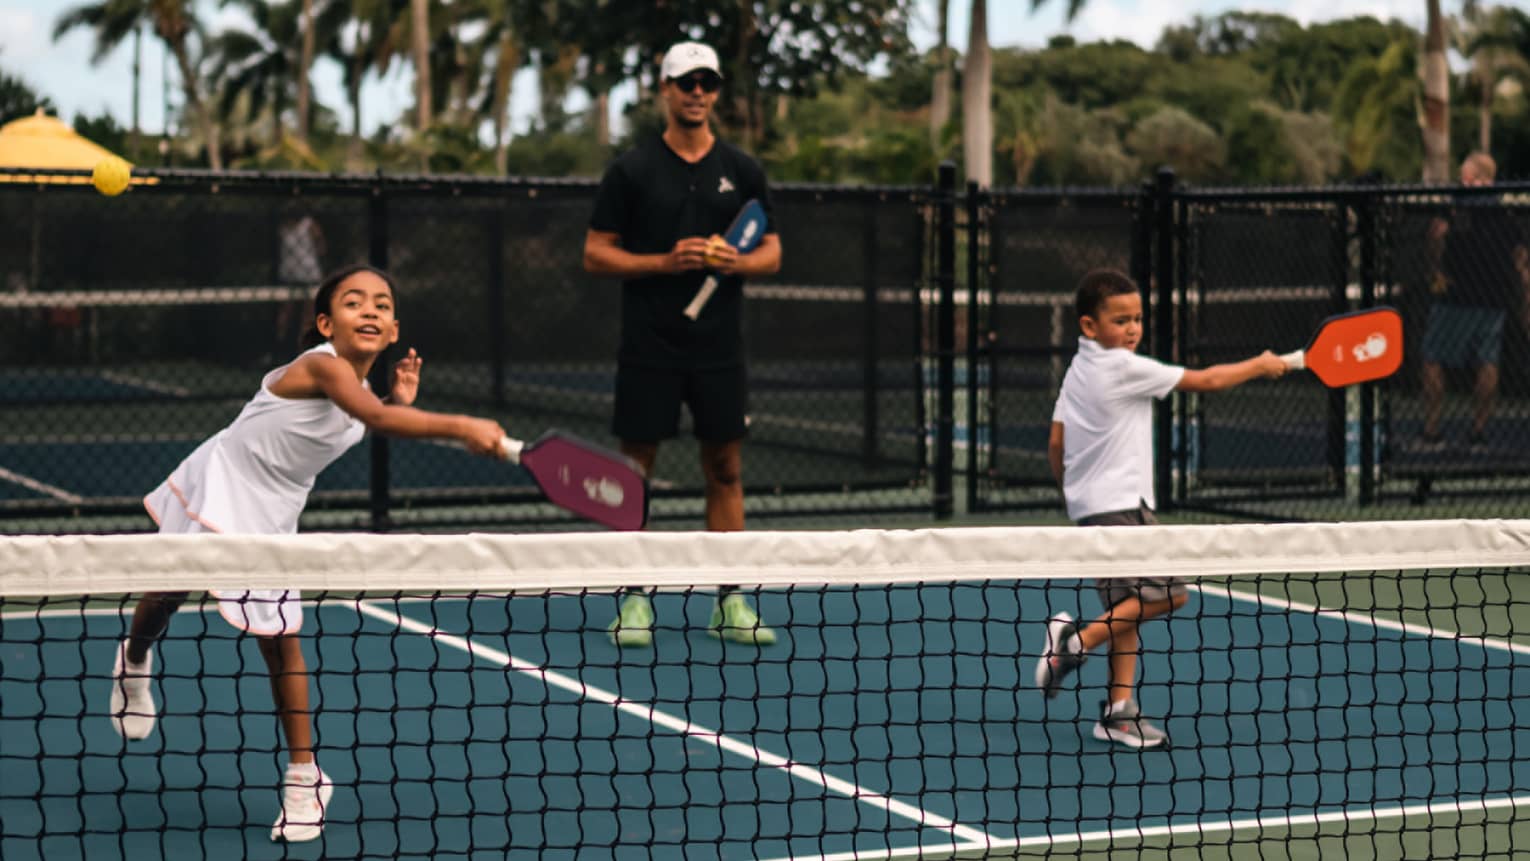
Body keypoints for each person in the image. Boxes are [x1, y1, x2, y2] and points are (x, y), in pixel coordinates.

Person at [108, 264, 506, 842]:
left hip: (273, 512)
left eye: (381, 304)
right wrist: (459, 422)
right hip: (224, 476)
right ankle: (135, 659)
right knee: (168, 591)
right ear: (326, 323)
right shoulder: (320, 364)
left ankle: (305, 777)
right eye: (352, 302)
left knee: (279, 641)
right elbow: (371, 416)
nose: (368, 310)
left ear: (393, 329)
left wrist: (397, 396)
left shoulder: (364, 387)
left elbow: (367, 414)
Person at [582, 41, 782, 649]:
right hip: (650, 344)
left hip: (718, 347)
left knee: (725, 467)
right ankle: (634, 598)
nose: (697, 92)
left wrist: (737, 258)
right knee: (633, 472)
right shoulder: (632, 170)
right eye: (686, 81)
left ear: (716, 91)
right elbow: (595, 252)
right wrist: (664, 261)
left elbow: (772, 251)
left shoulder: (742, 169)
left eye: (708, 82)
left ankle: (730, 601)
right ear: (664, 90)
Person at [1035, 268, 1288, 749]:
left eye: (1137, 319)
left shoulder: (1079, 367)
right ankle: (1074, 645)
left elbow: (1056, 441)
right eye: (1120, 320)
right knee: (1168, 595)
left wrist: (1073, 491)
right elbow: (1208, 380)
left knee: (1124, 610)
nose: (1132, 329)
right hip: (1123, 506)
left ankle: (1118, 713)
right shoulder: (1122, 367)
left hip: (1092, 508)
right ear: (1090, 326)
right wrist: (1259, 365)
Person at [1418, 152, 1530, 448]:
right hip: (1493, 298)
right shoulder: (1506, 215)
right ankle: (1478, 432)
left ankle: (1432, 431)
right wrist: (1523, 298)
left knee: (1432, 357)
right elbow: (1521, 261)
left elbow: (1436, 233)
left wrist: (1434, 269)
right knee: (1487, 360)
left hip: (1456, 296)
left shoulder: (1457, 207)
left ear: (1472, 177)